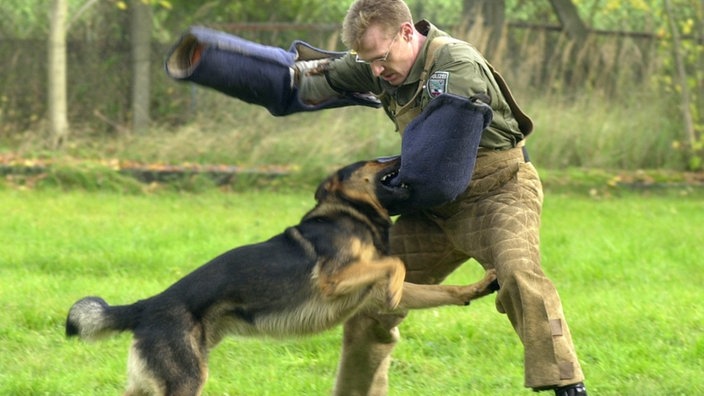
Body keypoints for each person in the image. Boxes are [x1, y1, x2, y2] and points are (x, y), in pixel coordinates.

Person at [165, 1, 588, 395]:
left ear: (406, 33)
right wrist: (213, 61)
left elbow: (438, 173)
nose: (376, 70)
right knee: (369, 299)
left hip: (498, 193)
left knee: (518, 274)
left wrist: (364, 195)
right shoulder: (375, 60)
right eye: (368, 61)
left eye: (381, 59)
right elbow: (301, 84)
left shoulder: (456, 69)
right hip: (433, 209)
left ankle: (566, 383)